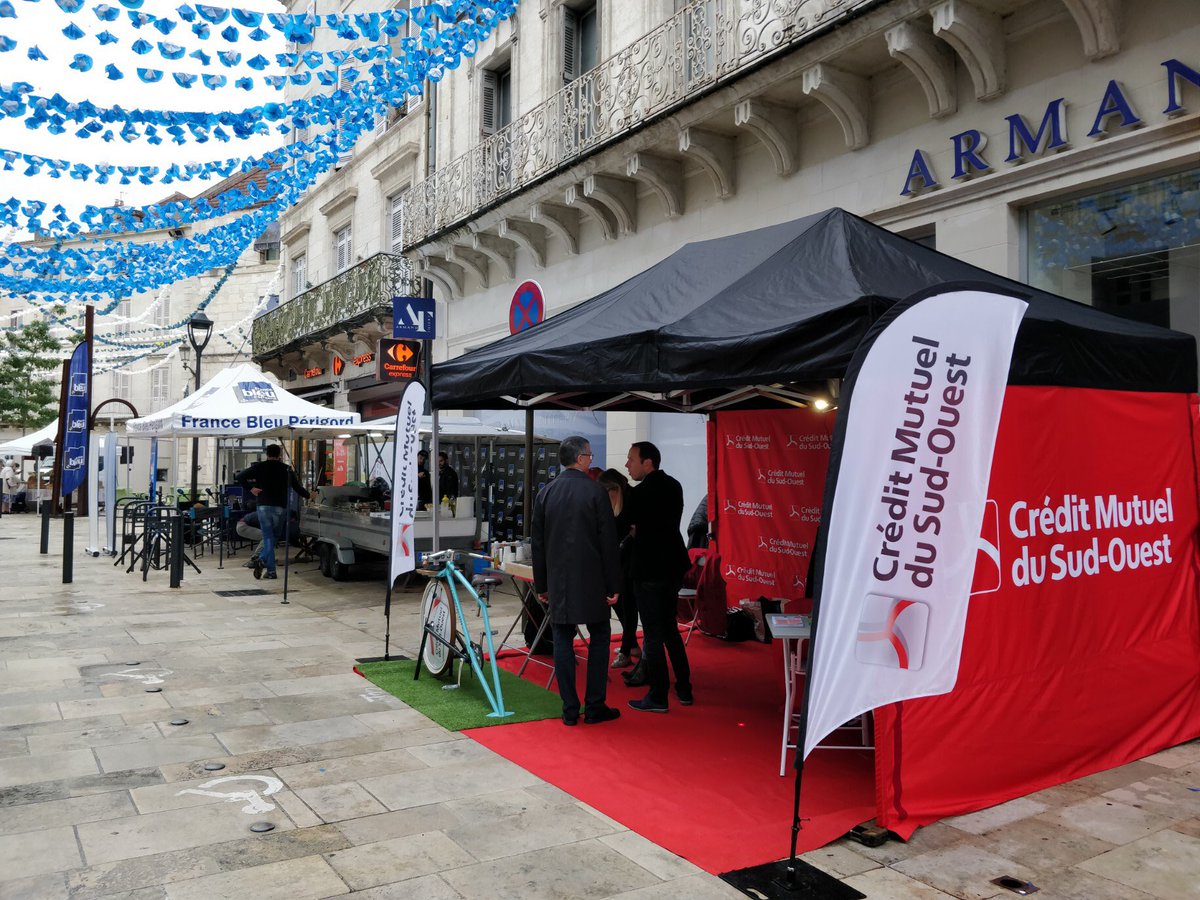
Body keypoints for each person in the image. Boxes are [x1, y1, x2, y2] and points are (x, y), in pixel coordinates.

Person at [532, 435, 622, 726]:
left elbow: (538, 544)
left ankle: (569, 708)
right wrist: (613, 585)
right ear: (581, 458)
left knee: (562, 638)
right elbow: (608, 542)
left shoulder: (546, 493)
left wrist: (542, 583)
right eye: (590, 456)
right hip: (592, 580)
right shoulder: (596, 492)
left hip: (559, 579)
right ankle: (594, 706)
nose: (591, 460)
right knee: (599, 638)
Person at [623, 440, 693, 712]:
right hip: (672, 566)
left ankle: (658, 694)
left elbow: (629, 526)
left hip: (649, 569)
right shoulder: (674, 486)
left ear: (647, 462)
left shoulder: (639, 494)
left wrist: (636, 531)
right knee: (669, 629)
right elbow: (664, 525)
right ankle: (684, 688)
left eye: (631, 459)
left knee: (652, 633)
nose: (628, 464)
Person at [237, 444, 309, 580]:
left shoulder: (259, 466)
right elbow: (297, 487)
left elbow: (240, 476)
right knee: (273, 537)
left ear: (267, 454)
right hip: (280, 507)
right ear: (280, 454)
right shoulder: (286, 469)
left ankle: (270, 569)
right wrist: (309, 495)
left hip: (263, 506)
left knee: (268, 537)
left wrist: (251, 489)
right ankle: (266, 565)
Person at [598, 468, 640, 669]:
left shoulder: (631, 501)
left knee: (627, 605)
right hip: (620, 559)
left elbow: (626, 532)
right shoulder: (618, 501)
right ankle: (631, 644)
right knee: (618, 602)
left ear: (613, 489)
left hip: (632, 561)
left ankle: (627, 649)